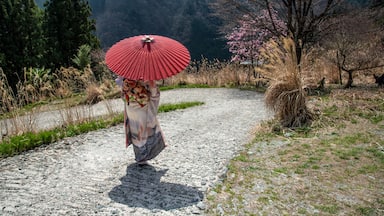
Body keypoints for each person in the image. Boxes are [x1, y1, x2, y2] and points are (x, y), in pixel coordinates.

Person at [116, 77, 166, 165]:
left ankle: (139, 156)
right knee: (143, 132)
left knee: (135, 131)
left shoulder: (126, 74)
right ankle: (143, 156)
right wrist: (152, 85)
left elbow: (121, 87)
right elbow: (154, 94)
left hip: (130, 107)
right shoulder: (145, 75)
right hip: (142, 108)